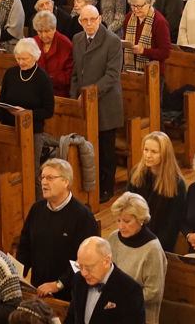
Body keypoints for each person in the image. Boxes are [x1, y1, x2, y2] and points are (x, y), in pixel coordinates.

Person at [17, 159, 100, 302]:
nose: (44, 182)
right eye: (42, 177)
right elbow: (25, 246)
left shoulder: (82, 216)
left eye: (50, 178)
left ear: (66, 182)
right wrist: (17, 275)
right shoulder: (37, 209)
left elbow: (85, 260)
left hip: (70, 294)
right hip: (39, 289)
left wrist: (59, 284)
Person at [0, 39, 54, 200]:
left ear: (35, 57)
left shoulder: (43, 78)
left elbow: (48, 111)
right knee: (11, 168)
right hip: (10, 128)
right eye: (18, 58)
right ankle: (15, 203)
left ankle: (37, 203)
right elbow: (2, 99)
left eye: (25, 59)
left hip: (32, 131)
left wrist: (26, 113)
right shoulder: (11, 73)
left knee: (31, 169)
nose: (21, 62)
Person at [70, 5, 124, 203]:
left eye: (93, 19)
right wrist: (73, 96)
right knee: (88, 145)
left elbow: (112, 75)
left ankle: (107, 187)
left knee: (106, 148)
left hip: (105, 102)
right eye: (85, 20)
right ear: (79, 21)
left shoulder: (112, 41)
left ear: (100, 18)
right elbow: (76, 72)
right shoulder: (77, 39)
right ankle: (89, 185)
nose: (89, 24)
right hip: (84, 101)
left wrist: (89, 94)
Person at [107, 193, 167, 323]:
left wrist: (121, 299)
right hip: (112, 308)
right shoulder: (113, 238)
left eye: (127, 221)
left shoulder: (152, 249)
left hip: (140, 314)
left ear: (141, 219)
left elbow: (153, 293)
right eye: (118, 220)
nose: (121, 226)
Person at [127, 132, 187, 251]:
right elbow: (128, 211)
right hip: (134, 238)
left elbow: (172, 225)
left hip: (160, 244)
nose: (148, 155)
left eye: (154, 152)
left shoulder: (177, 184)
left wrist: (154, 248)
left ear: (165, 154)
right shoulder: (135, 174)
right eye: (146, 150)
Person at [64, 236, 145, 324]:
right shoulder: (78, 280)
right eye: (80, 266)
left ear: (106, 261)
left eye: (89, 267)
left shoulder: (130, 290)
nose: (84, 273)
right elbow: (71, 317)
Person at [122, 0, 171, 75]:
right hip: (130, 71)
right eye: (133, 6)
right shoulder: (129, 18)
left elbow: (165, 52)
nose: (136, 10)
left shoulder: (159, 21)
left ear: (149, 3)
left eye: (140, 6)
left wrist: (144, 51)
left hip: (153, 73)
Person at [32, 10, 73, 97]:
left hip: (59, 93)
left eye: (47, 31)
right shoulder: (33, 42)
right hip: (36, 91)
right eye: (39, 31)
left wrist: (50, 79)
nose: (43, 35)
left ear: (54, 28)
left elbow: (70, 74)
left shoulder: (65, 44)